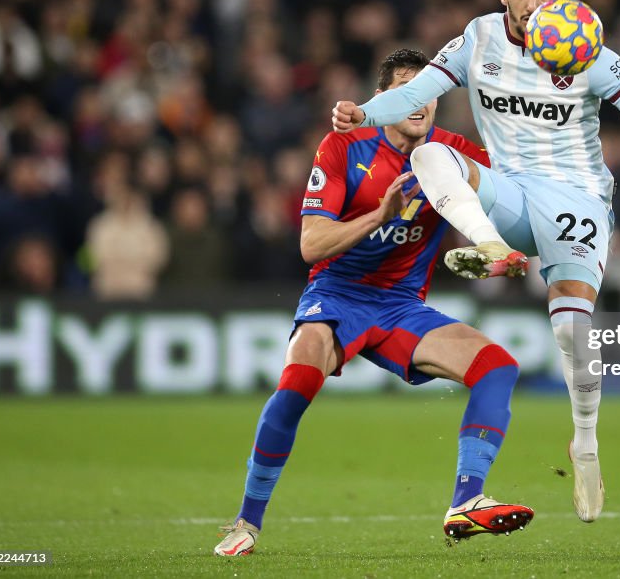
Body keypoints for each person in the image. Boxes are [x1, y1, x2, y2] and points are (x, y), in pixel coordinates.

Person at [331, 0, 620, 523]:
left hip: (577, 197)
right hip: (509, 197)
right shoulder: (477, 40)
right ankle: (489, 247)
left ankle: (584, 440)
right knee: (432, 152)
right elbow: (414, 96)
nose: (535, 4)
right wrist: (363, 112)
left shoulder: (586, 50)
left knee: (570, 333)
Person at [216, 49, 533, 556]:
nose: (420, 100)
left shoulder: (453, 153)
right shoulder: (344, 146)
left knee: (498, 368)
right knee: (297, 383)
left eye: (428, 90)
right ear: (382, 99)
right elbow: (311, 246)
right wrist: (380, 213)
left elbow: (518, 197)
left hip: (401, 306)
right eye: (406, 89)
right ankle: (246, 523)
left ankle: (467, 502)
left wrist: (506, 250)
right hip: (336, 295)